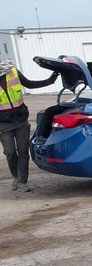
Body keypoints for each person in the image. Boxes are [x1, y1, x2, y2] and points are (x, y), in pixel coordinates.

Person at [0, 58, 59, 191]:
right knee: (9, 152)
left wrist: (50, 80)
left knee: (23, 151)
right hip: (3, 123)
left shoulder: (12, 71)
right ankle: (15, 176)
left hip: (20, 119)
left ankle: (22, 181)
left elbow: (29, 84)